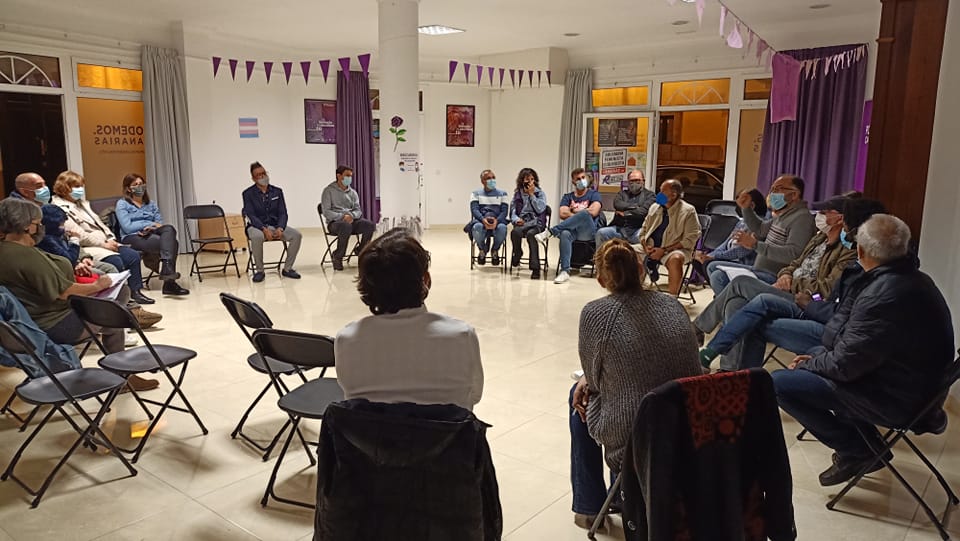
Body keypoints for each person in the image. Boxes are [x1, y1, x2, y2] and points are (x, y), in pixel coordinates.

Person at [772, 214, 954, 487]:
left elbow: (845, 366)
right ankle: (865, 444)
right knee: (814, 350)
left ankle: (858, 450)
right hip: (912, 388)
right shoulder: (915, 280)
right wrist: (818, 358)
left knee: (778, 383)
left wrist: (810, 364)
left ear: (860, 250)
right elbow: (853, 348)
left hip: (897, 398)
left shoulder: (883, 293)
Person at [569, 238, 702, 530]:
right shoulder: (672, 304)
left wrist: (584, 381)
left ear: (601, 278)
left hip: (638, 437)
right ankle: (615, 494)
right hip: (693, 425)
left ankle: (591, 506)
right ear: (641, 269)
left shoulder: (596, 314)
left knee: (575, 397)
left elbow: (594, 378)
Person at [698, 198, 885, 371]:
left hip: (806, 299)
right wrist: (786, 274)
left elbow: (828, 289)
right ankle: (732, 373)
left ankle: (701, 334)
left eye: (826, 212)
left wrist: (793, 283)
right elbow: (795, 262)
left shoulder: (850, 252)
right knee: (735, 301)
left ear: (841, 220)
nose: (819, 216)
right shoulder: (820, 237)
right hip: (785, 283)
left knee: (745, 288)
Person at [0, 198, 157, 390]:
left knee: (112, 314)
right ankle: (122, 376)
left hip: (31, 322)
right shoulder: (24, 254)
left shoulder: (8, 250)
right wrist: (98, 285)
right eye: (37, 223)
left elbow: (43, 281)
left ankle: (121, 375)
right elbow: (64, 292)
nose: (40, 227)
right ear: (25, 226)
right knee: (115, 310)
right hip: (54, 323)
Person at [335, 228, 483, 411]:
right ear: (426, 281)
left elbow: (351, 396)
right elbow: (474, 395)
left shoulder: (347, 339)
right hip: (443, 438)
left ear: (364, 286)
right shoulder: (461, 335)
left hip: (370, 438)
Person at [51, 170, 171, 303]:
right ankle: (117, 296)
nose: (80, 190)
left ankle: (135, 292)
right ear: (65, 188)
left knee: (132, 256)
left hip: (106, 241)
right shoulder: (58, 208)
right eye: (76, 187)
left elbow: (101, 224)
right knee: (116, 260)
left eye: (81, 186)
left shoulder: (83, 204)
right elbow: (79, 234)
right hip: (88, 246)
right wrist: (103, 244)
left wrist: (110, 237)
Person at [36, 204, 162, 329]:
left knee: (128, 258)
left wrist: (84, 258)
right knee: (108, 270)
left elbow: (99, 228)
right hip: (76, 260)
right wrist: (78, 245)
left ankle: (131, 305)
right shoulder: (49, 235)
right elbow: (69, 253)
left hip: (81, 257)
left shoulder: (83, 206)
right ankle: (125, 314)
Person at [708, 175, 816, 293]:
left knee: (719, 277)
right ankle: (730, 303)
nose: (772, 193)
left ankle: (731, 303)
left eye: (778, 189)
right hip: (759, 269)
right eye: (772, 189)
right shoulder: (784, 215)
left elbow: (793, 254)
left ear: (794, 194)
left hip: (775, 277)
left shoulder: (802, 218)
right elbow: (759, 229)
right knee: (712, 267)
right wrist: (746, 208)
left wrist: (755, 245)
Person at [115, 173, 190, 296]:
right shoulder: (122, 204)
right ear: (128, 189)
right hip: (132, 237)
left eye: (141, 184)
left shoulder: (151, 203)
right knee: (173, 243)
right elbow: (127, 227)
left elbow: (159, 223)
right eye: (135, 185)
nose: (140, 187)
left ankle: (167, 270)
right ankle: (169, 282)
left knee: (169, 229)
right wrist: (148, 224)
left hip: (151, 232)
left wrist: (152, 227)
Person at [535, 168, 603, 284]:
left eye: (583, 177)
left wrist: (577, 212)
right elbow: (562, 213)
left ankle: (550, 232)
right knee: (565, 233)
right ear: (573, 182)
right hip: (573, 231)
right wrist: (580, 213)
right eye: (578, 179)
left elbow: (593, 212)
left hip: (589, 232)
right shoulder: (568, 197)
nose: (581, 180)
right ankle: (565, 271)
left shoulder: (594, 194)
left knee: (585, 214)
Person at [633, 179, 701, 296]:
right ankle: (636, 292)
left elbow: (690, 239)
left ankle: (673, 300)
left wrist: (664, 250)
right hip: (651, 247)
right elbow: (643, 231)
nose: (659, 194)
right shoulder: (654, 207)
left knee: (676, 259)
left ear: (673, 195)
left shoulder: (688, 211)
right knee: (627, 251)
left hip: (674, 250)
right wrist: (645, 246)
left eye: (662, 191)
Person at [242, 161, 303, 282]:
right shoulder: (248, 194)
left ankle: (287, 268)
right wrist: (263, 229)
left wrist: (280, 228)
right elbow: (251, 215)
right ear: (253, 178)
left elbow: (283, 213)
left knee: (297, 235)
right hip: (256, 226)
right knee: (257, 236)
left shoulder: (277, 191)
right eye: (259, 175)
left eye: (264, 173)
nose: (263, 176)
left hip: (275, 226)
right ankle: (260, 271)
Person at [691, 188, 767, 278]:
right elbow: (726, 243)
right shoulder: (741, 222)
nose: (737, 204)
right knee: (698, 261)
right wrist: (709, 255)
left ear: (752, 205)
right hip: (729, 259)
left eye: (742, 201)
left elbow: (742, 251)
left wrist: (715, 257)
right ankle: (721, 290)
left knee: (710, 264)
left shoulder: (760, 225)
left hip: (744, 263)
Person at [320, 165, 376, 271]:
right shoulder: (328, 191)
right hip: (335, 223)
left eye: (350, 176)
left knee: (369, 225)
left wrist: (352, 216)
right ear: (339, 176)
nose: (349, 178)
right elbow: (326, 212)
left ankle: (361, 250)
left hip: (352, 221)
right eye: (347, 176)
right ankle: (338, 256)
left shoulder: (353, 193)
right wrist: (342, 216)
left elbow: (358, 210)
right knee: (345, 227)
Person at [594, 169, 655, 247]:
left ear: (643, 181)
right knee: (601, 233)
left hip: (638, 229)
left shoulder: (650, 195)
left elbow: (643, 212)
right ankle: (600, 259)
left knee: (642, 238)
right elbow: (617, 204)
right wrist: (636, 206)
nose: (634, 183)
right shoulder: (622, 193)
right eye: (631, 181)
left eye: (637, 180)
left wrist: (625, 213)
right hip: (620, 229)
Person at [509, 167, 549, 279]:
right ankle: (517, 254)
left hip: (537, 223)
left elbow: (541, 209)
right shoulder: (517, 194)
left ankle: (535, 268)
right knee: (515, 232)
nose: (530, 182)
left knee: (532, 235)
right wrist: (516, 219)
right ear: (522, 181)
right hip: (522, 223)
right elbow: (512, 211)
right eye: (527, 180)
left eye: (532, 179)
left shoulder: (540, 194)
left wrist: (532, 195)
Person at [466, 169, 509, 266]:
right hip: (481, 220)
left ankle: (495, 250)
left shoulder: (503, 194)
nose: (492, 180)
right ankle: (482, 250)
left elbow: (504, 211)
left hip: (498, 220)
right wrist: (483, 220)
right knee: (477, 228)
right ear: (482, 181)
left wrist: (496, 221)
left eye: (493, 178)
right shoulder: (475, 193)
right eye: (488, 178)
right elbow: (474, 210)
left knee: (502, 228)